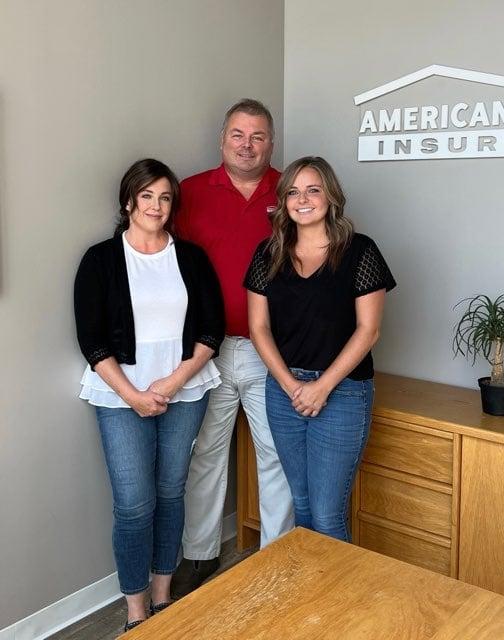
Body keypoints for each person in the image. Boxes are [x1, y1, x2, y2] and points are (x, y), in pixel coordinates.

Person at [73, 159, 225, 632]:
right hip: (120, 395)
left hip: (185, 388)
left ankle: (163, 595)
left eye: (164, 198)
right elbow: (92, 338)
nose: (156, 206)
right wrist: (133, 394)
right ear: (128, 201)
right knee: (134, 502)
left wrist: (177, 379)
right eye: (147, 196)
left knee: (171, 491)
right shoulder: (100, 260)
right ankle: (136, 609)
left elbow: (211, 328)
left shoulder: (192, 258)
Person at [172, 99, 294, 598]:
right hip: (207, 350)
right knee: (204, 455)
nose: (248, 145)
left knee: (276, 455)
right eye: (239, 135)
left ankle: (278, 558)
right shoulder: (189, 192)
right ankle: (200, 555)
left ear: (272, 142)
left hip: (274, 352)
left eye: (258, 136)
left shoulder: (292, 191)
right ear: (223, 140)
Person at [244, 156, 396, 542]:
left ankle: (336, 602)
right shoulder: (268, 253)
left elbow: (369, 330)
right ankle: (309, 599)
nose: (303, 199)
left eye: (313, 189)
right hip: (284, 393)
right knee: (303, 504)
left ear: (330, 196)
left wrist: (321, 386)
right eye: (293, 192)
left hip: (342, 392)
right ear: (283, 201)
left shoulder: (360, 251)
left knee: (328, 515)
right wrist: (291, 385)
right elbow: (258, 328)